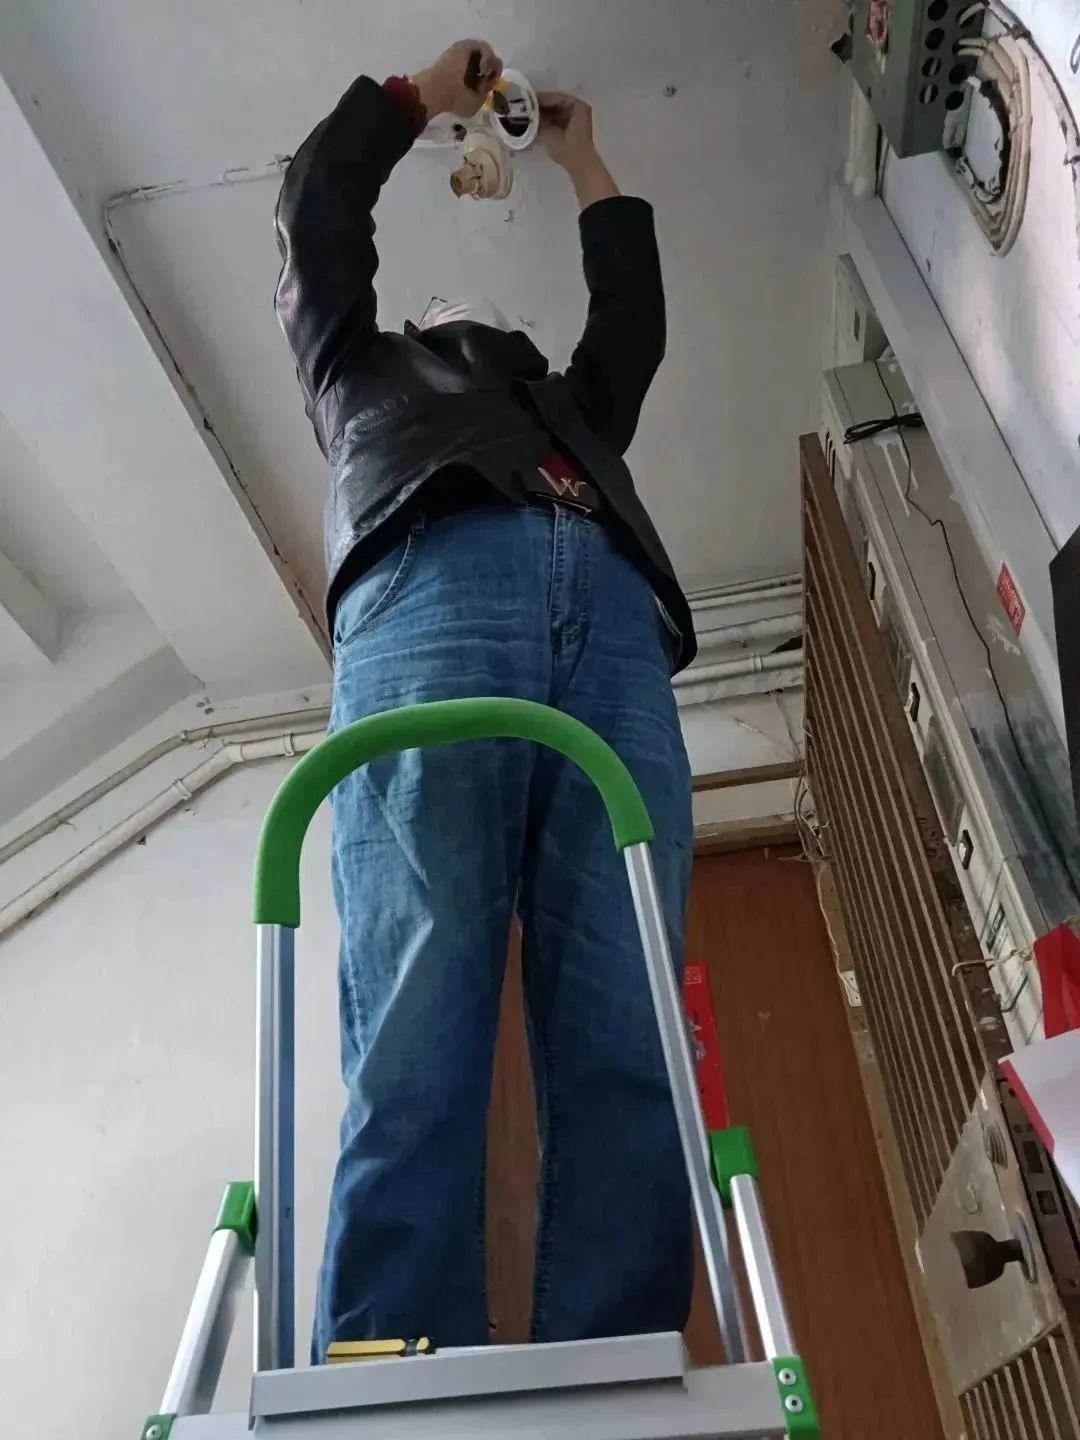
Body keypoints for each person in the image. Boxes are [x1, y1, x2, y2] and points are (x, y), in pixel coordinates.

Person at [274, 38, 698, 1359]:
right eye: (440, 313)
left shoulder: (569, 414)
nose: (468, 315)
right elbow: (316, 211)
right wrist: (416, 99)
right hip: (433, 578)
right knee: (421, 1001)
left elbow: (631, 324)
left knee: (627, 1014)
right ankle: (389, 1372)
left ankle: (616, 1371)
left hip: (609, 619)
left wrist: (583, 161)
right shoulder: (360, 380)